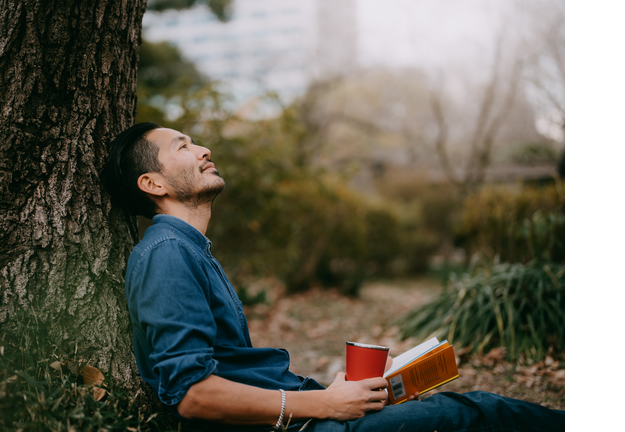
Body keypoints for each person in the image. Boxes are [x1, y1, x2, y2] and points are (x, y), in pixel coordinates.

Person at [101, 122, 564, 432]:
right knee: (477, 414)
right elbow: (193, 395)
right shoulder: (166, 254)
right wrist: (325, 405)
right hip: (303, 426)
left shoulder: (186, 250)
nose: (203, 148)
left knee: (456, 409)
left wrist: (337, 394)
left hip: (307, 413)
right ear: (153, 184)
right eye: (182, 146)